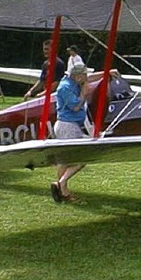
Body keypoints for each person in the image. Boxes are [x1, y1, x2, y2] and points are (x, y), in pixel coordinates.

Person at [50, 64, 89, 203]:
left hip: (72, 126)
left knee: (66, 161)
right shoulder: (65, 87)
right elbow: (76, 107)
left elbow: (90, 79)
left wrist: (109, 73)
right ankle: (61, 184)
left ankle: (62, 190)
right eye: (85, 75)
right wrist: (84, 93)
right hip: (67, 126)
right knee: (82, 157)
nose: (87, 78)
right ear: (78, 76)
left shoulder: (72, 81)